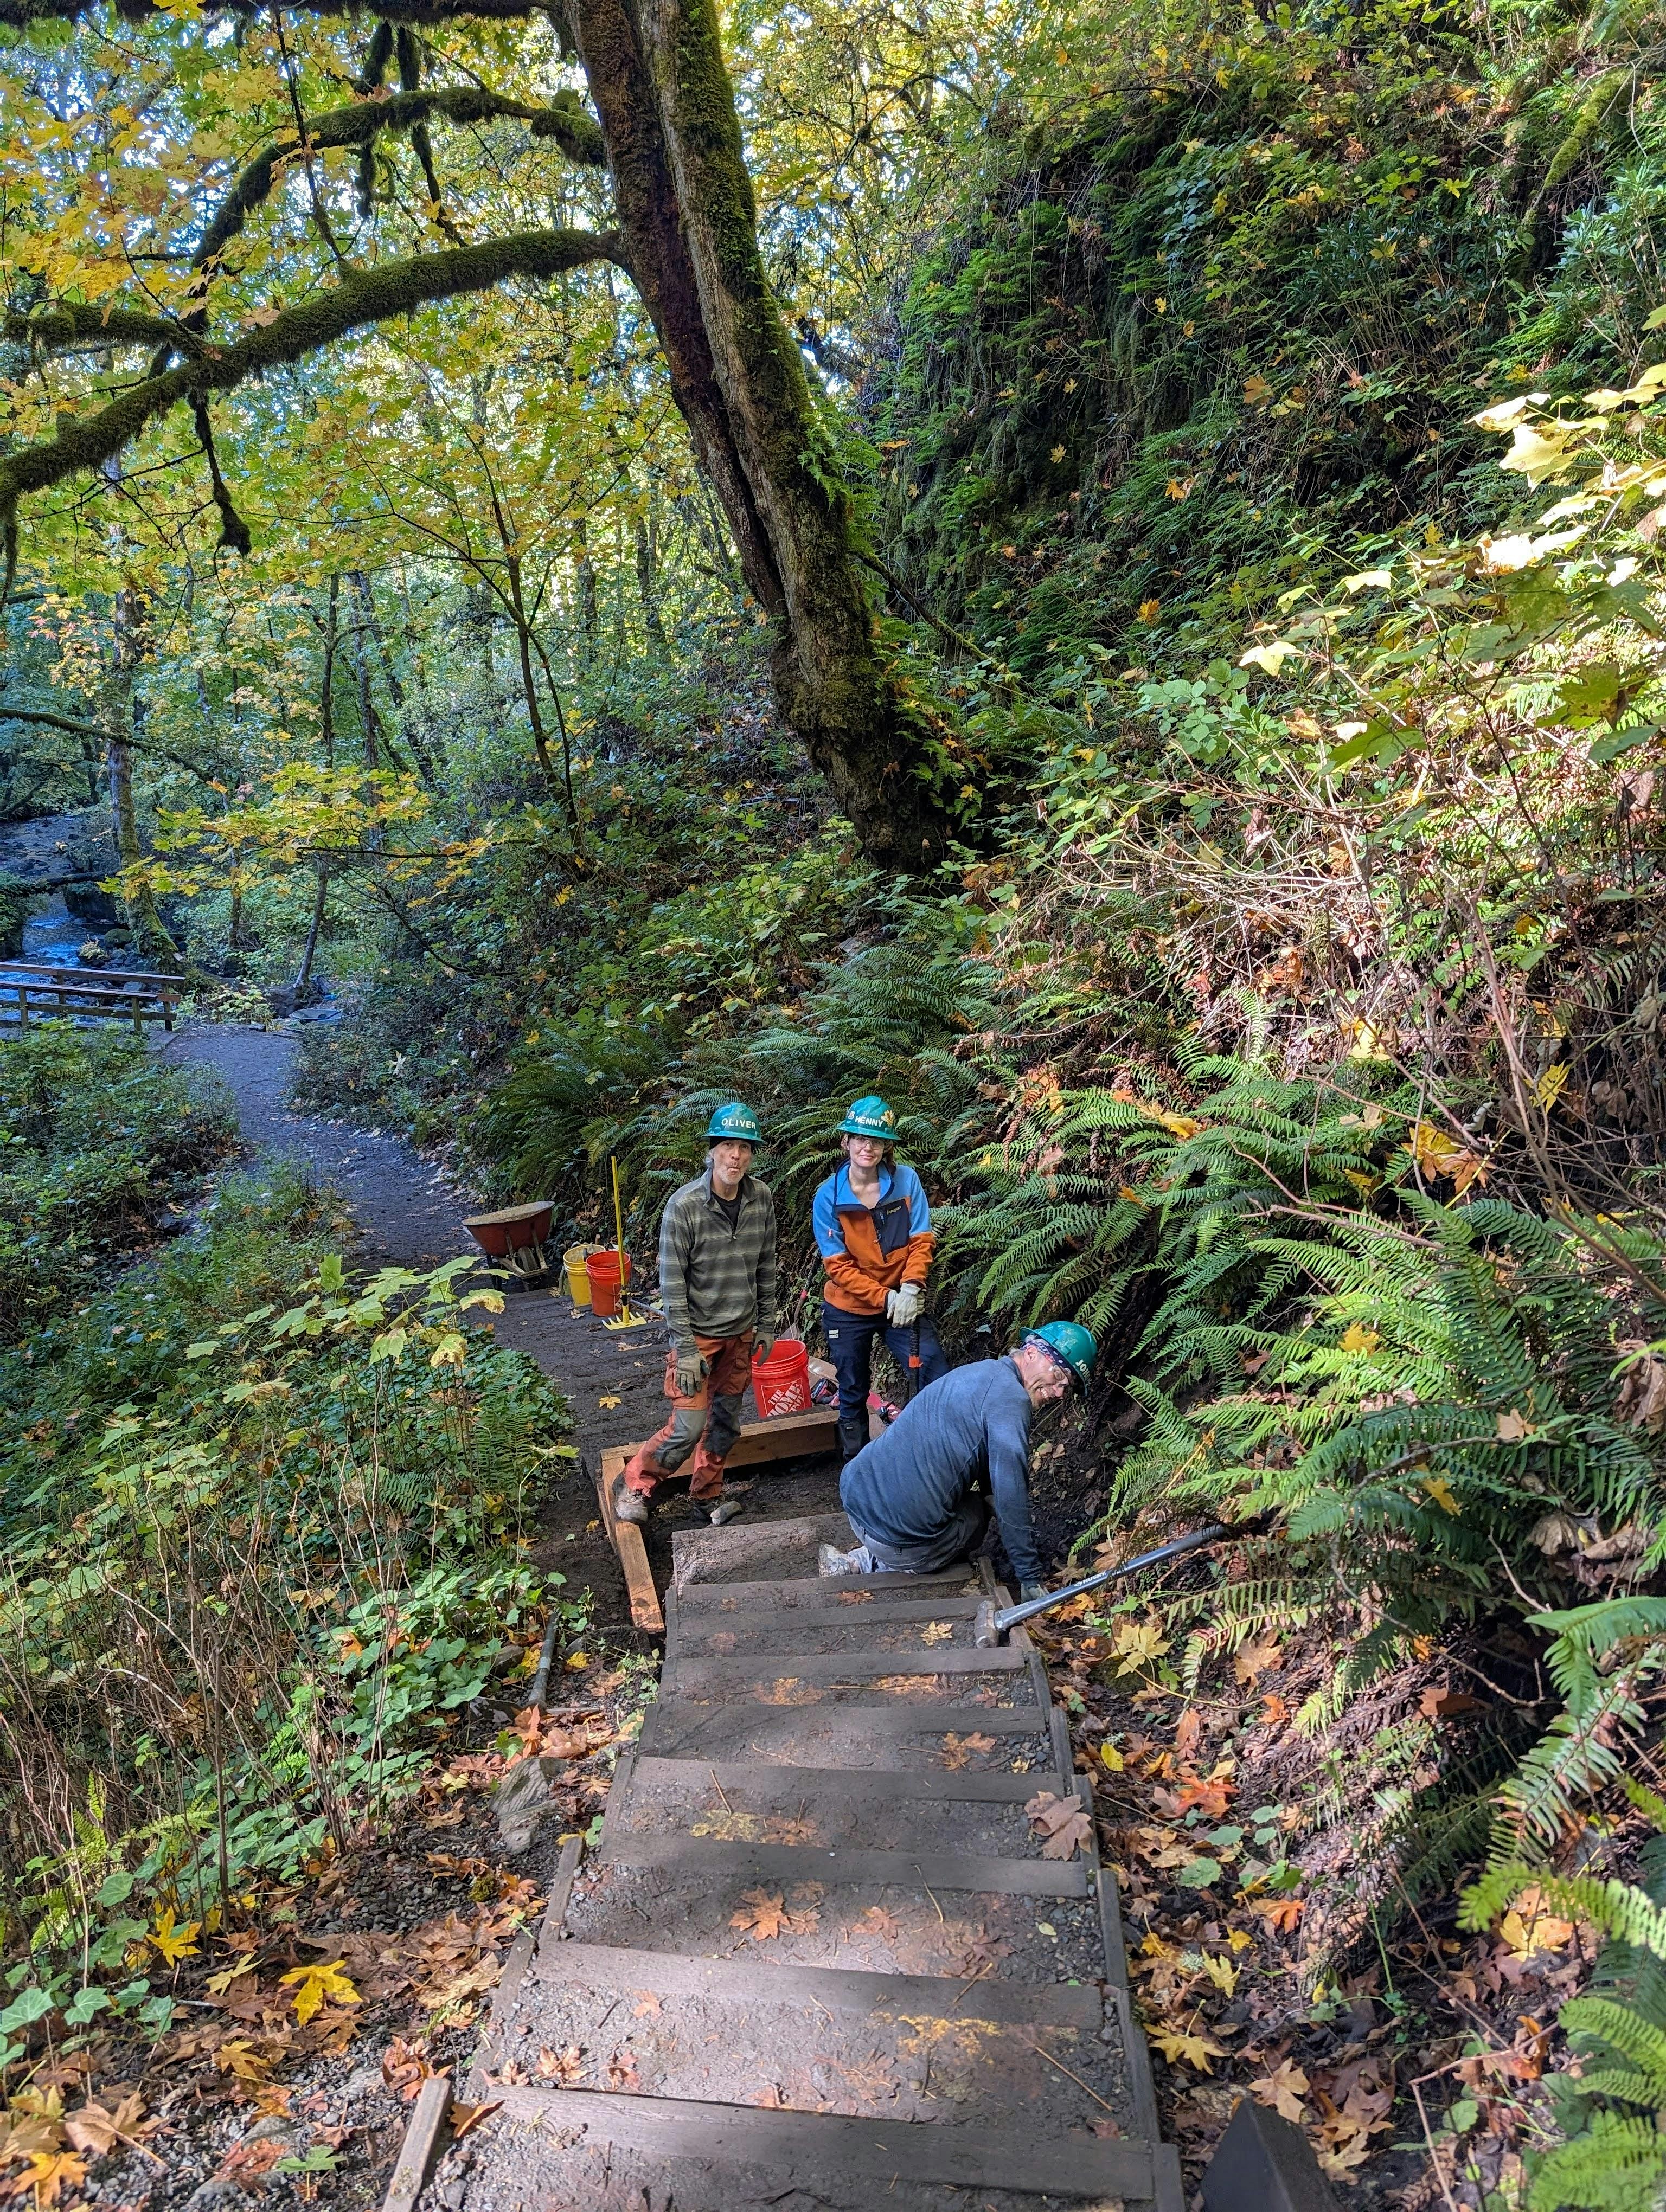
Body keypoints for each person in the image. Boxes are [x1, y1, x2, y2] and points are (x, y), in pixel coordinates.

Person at [819, 1321, 1097, 1597]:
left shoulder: (982, 1372)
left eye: (1066, 1386)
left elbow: (988, 1454)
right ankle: (877, 1567)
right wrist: (1029, 1577)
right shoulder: (1012, 1401)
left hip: (857, 1501)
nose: (1059, 1391)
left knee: (959, 1498)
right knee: (976, 1513)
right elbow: (1011, 1493)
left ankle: (858, 1559)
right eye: (1058, 1375)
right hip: (899, 1543)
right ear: (1032, 1353)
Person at [612, 1101, 778, 1529]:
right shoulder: (683, 1206)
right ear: (711, 1151)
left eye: (744, 1148)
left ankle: (707, 1497)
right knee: (688, 1426)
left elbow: (766, 1265)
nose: (735, 1157)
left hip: (740, 1332)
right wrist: (685, 1350)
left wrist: (767, 1323)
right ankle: (635, 1482)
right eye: (727, 1146)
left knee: (725, 1424)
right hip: (698, 1337)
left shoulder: (761, 1198)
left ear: (752, 1154)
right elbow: (671, 1285)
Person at [812, 1094, 949, 1461]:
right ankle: (857, 1471)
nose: (867, 1147)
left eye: (875, 1140)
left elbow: (921, 1239)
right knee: (853, 1388)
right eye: (859, 1138)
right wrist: (887, 1298)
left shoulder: (906, 1181)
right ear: (846, 1142)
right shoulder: (829, 1197)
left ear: (886, 1145)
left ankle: (933, 1459)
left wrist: (910, 1286)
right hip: (850, 1307)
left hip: (903, 1300)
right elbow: (838, 1268)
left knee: (933, 1371)